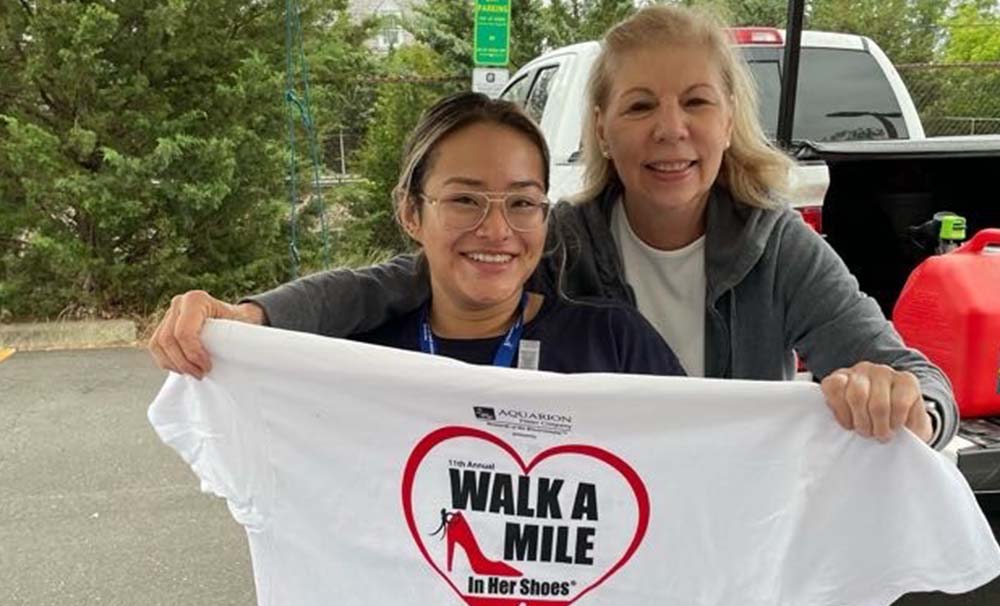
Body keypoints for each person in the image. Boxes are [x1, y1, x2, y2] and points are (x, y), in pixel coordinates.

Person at [150, 6, 956, 447]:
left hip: (721, 556)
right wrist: (251, 318)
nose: (670, 130)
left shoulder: (781, 248)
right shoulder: (558, 236)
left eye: (696, 103)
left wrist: (905, 406)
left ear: (728, 120)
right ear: (603, 128)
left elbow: (924, 386)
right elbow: (394, 282)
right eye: (640, 105)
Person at [150, 92, 684, 377]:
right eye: (464, 200)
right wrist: (234, 332)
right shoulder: (347, 357)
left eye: (522, 202)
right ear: (411, 213)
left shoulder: (615, 345)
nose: (496, 229)